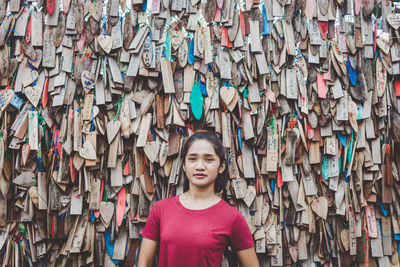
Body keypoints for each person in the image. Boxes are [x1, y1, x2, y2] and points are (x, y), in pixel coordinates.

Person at [138, 131, 260, 267]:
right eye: (192, 159)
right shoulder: (161, 209)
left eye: (209, 159)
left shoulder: (232, 217)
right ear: (184, 165)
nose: (200, 166)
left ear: (221, 167)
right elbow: (144, 263)